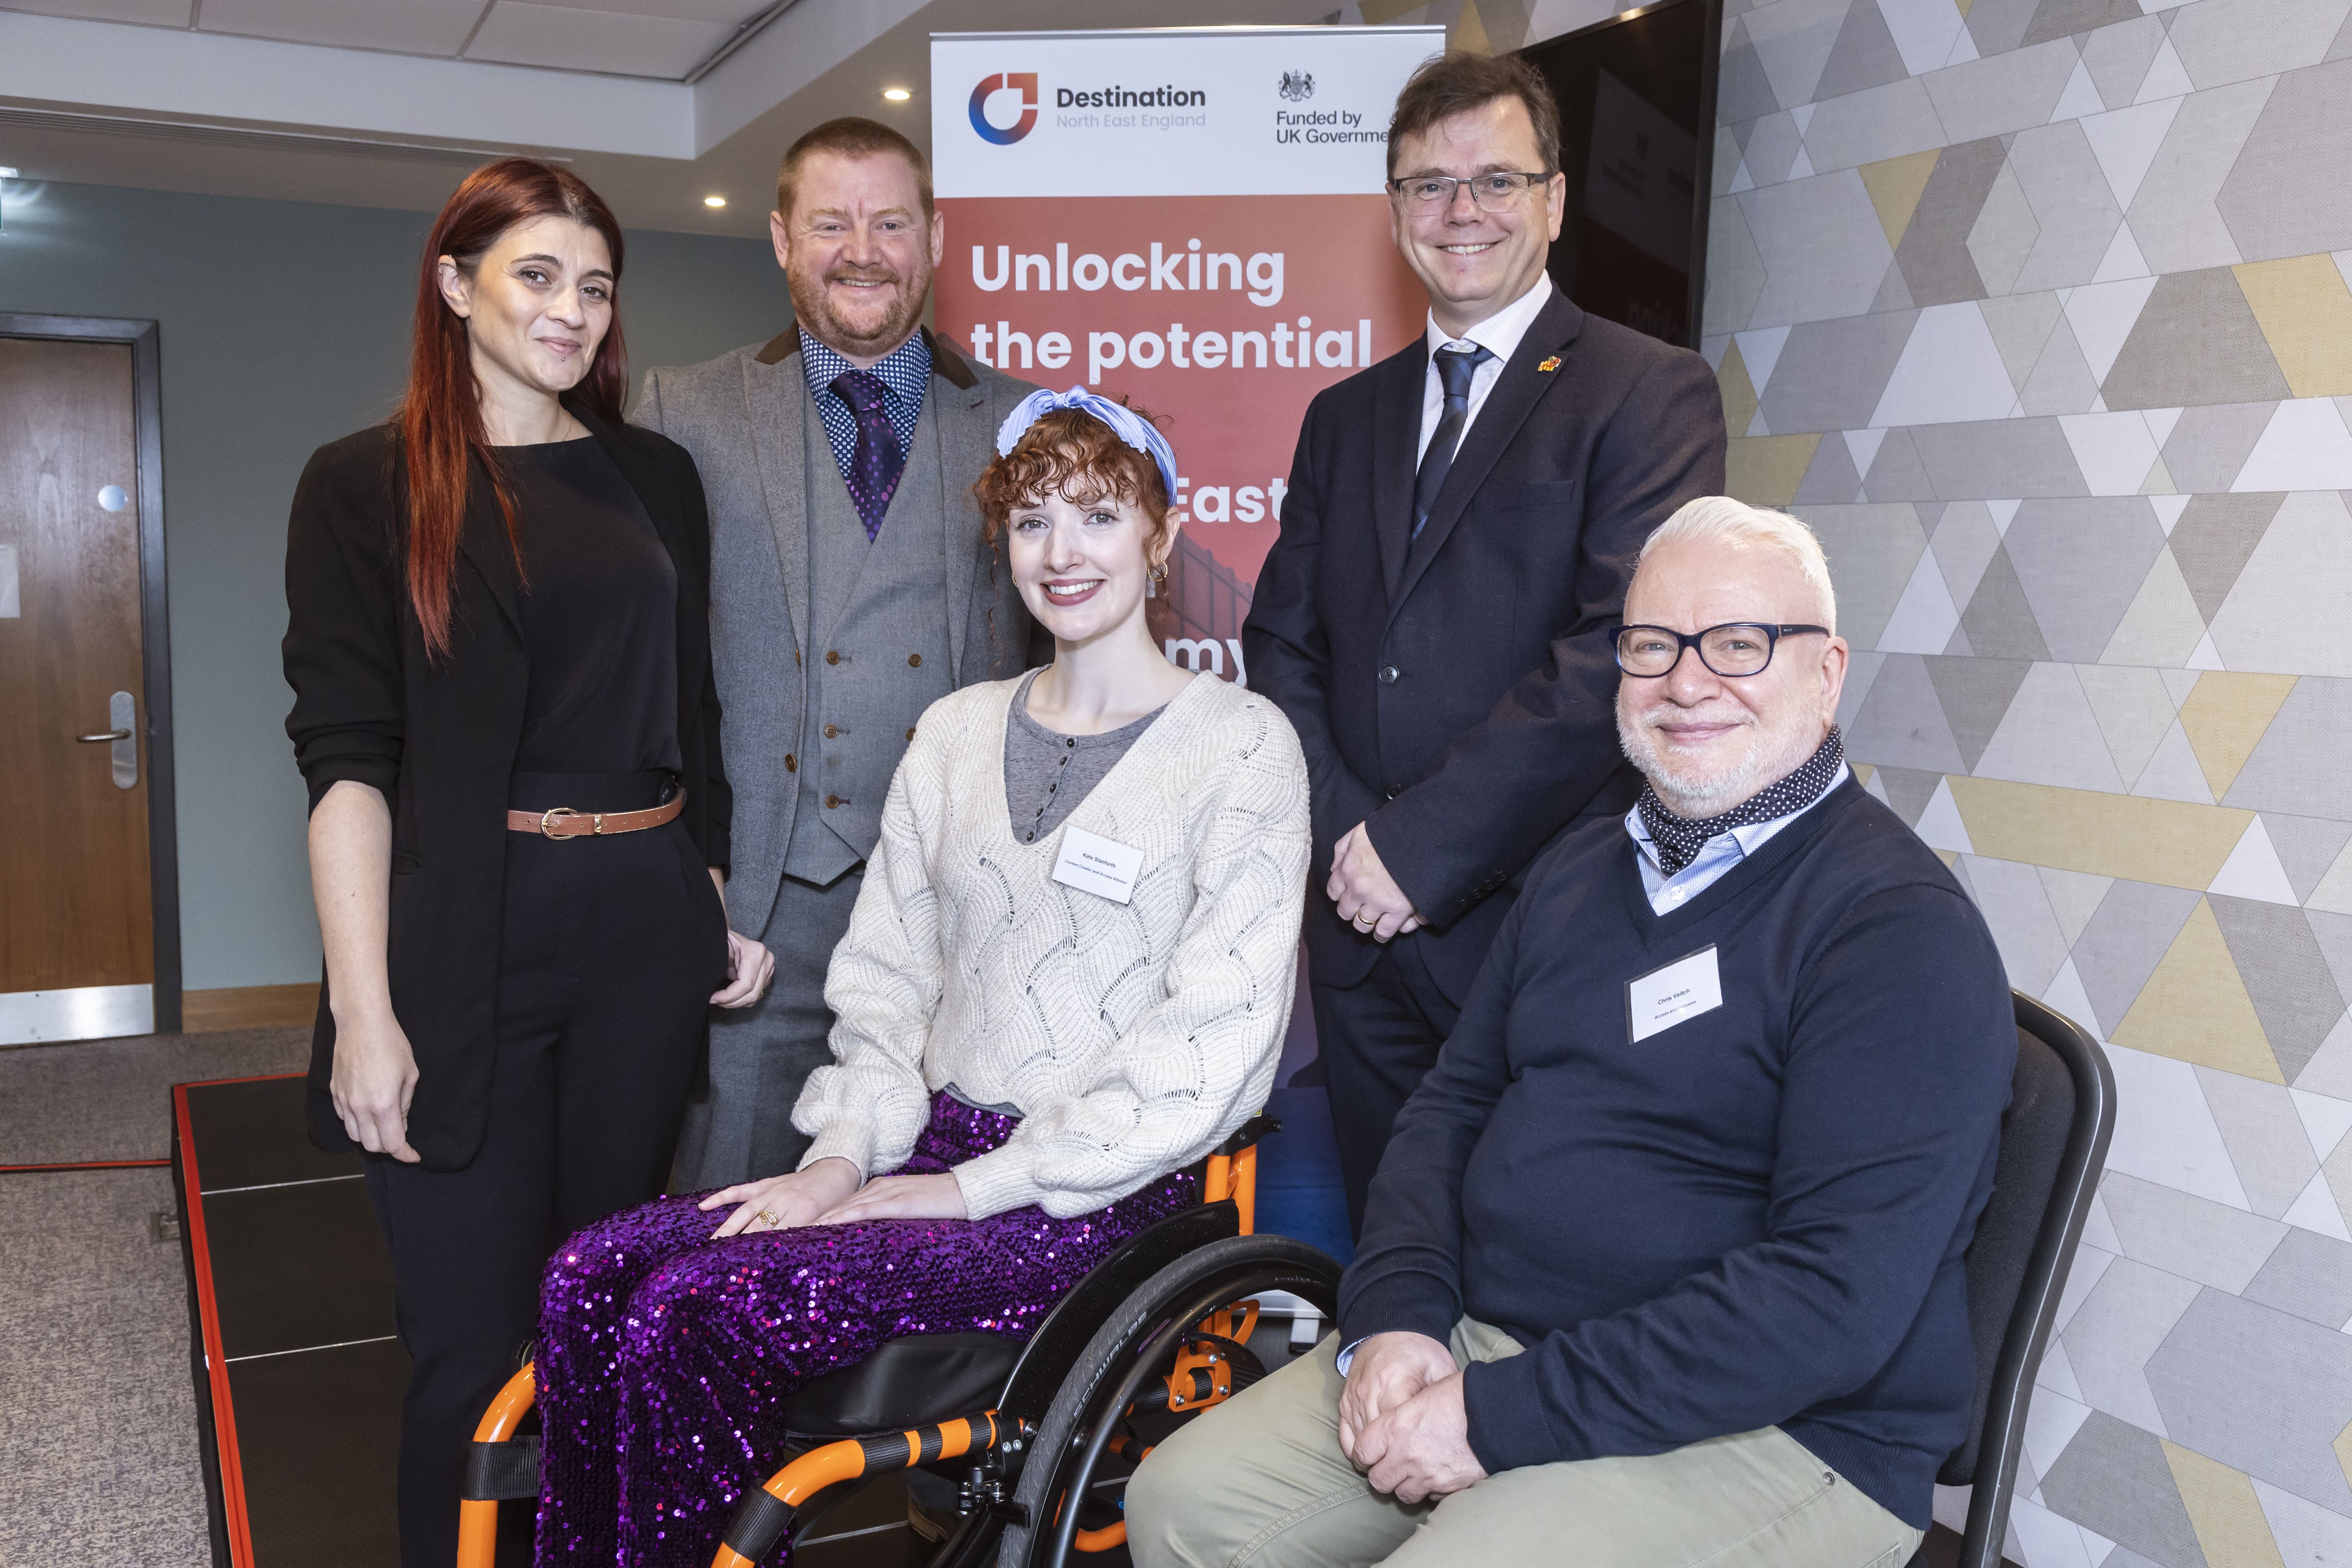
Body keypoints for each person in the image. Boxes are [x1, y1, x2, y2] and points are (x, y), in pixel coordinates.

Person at [1130, 497, 2015, 1568]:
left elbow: (1831, 1299)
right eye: (1653, 647)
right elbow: (1450, 1107)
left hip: (1783, 1428)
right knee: (1180, 1502)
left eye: (1739, 646)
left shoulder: (1893, 929)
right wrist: (1399, 1318)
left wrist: (1491, 1416)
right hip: (1498, 1342)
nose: (1689, 683)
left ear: (1825, 673)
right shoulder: (1582, 869)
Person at [532, 390, 1312, 1568]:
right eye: (1032, 519)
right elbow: (885, 984)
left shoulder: (1244, 747)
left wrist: (975, 1189)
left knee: (696, 1312)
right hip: (925, 1144)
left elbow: (1210, 1047)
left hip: (1103, 1188)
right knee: (592, 1274)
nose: (1062, 552)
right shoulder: (952, 733)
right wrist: (842, 1159)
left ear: (1161, 536)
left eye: (1099, 515)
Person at [282, 159, 774, 1568]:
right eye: (537, 276)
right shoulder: (362, 485)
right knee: (468, 1350)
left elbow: (692, 715)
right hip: (460, 949)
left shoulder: (653, 475)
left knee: (604, 1320)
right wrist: (367, 1016)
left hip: (640, 937)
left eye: (596, 284)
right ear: (455, 286)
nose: (572, 309)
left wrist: (712, 893)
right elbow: (348, 767)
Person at [1243, 51, 1728, 1233]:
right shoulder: (1342, 417)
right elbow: (1279, 643)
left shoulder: (1647, 392)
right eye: (1428, 186)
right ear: (1395, 210)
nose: (1463, 213)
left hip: (1536, 927)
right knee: (1390, 1263)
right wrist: (1355, 844)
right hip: (1358, 940)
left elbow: (1619, 645)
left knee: (1532, 1274)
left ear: (1555, 200)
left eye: (1496, 181)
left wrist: (1419, 849)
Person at [636, 116, 1044, 1193]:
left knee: (934, 1237)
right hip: (762, 912)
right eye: (830, 222)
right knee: (727, 1228)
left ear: (937, 237)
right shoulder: (686, 410)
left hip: (957, 911)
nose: (861, 248)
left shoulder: (1022, 424)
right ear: (780, 239)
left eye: (889, 221)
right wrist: (692, 879)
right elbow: (644, 674)